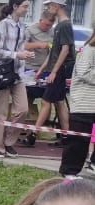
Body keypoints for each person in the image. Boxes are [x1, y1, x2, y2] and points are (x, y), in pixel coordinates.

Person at [0, 0, 34, 159]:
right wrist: (15, 55)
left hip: (18, 74)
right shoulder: (3, 25)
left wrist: (25, 55)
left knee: (23, 109)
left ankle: (7, 142)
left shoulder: (22, 26)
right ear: (15, 7)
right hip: (2, 74)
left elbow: (20, 48)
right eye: (25, 6)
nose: (27, 9)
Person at [31, 0, 74, 147]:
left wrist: (54, 72)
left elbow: (65, 49)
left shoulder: (65, 25)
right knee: (60, 102)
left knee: (46, 101)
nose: (48, 9)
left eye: (50, 6)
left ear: (57, 6)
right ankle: (66, 137)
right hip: (56, 68)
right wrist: (43, 69)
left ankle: (33, 135)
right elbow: (54, 51)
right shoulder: (59, 25)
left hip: (60, 69)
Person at [59, 32, 95, 176]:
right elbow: (83, 72)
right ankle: (69, 171)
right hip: (84, 102)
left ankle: (92, 163)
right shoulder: (89, 50)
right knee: (79, 139)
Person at [24, 15, 56, 130]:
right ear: (40, 20)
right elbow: (23, 46)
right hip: (30, 68)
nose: (48, 27)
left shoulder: (53, 32)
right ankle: (24, 124)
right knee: (27, 96)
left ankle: (43, 125)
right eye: (46, 24)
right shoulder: (30, 30)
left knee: (47, 99)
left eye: (50, 25)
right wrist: (38, 45)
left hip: (46, 69)